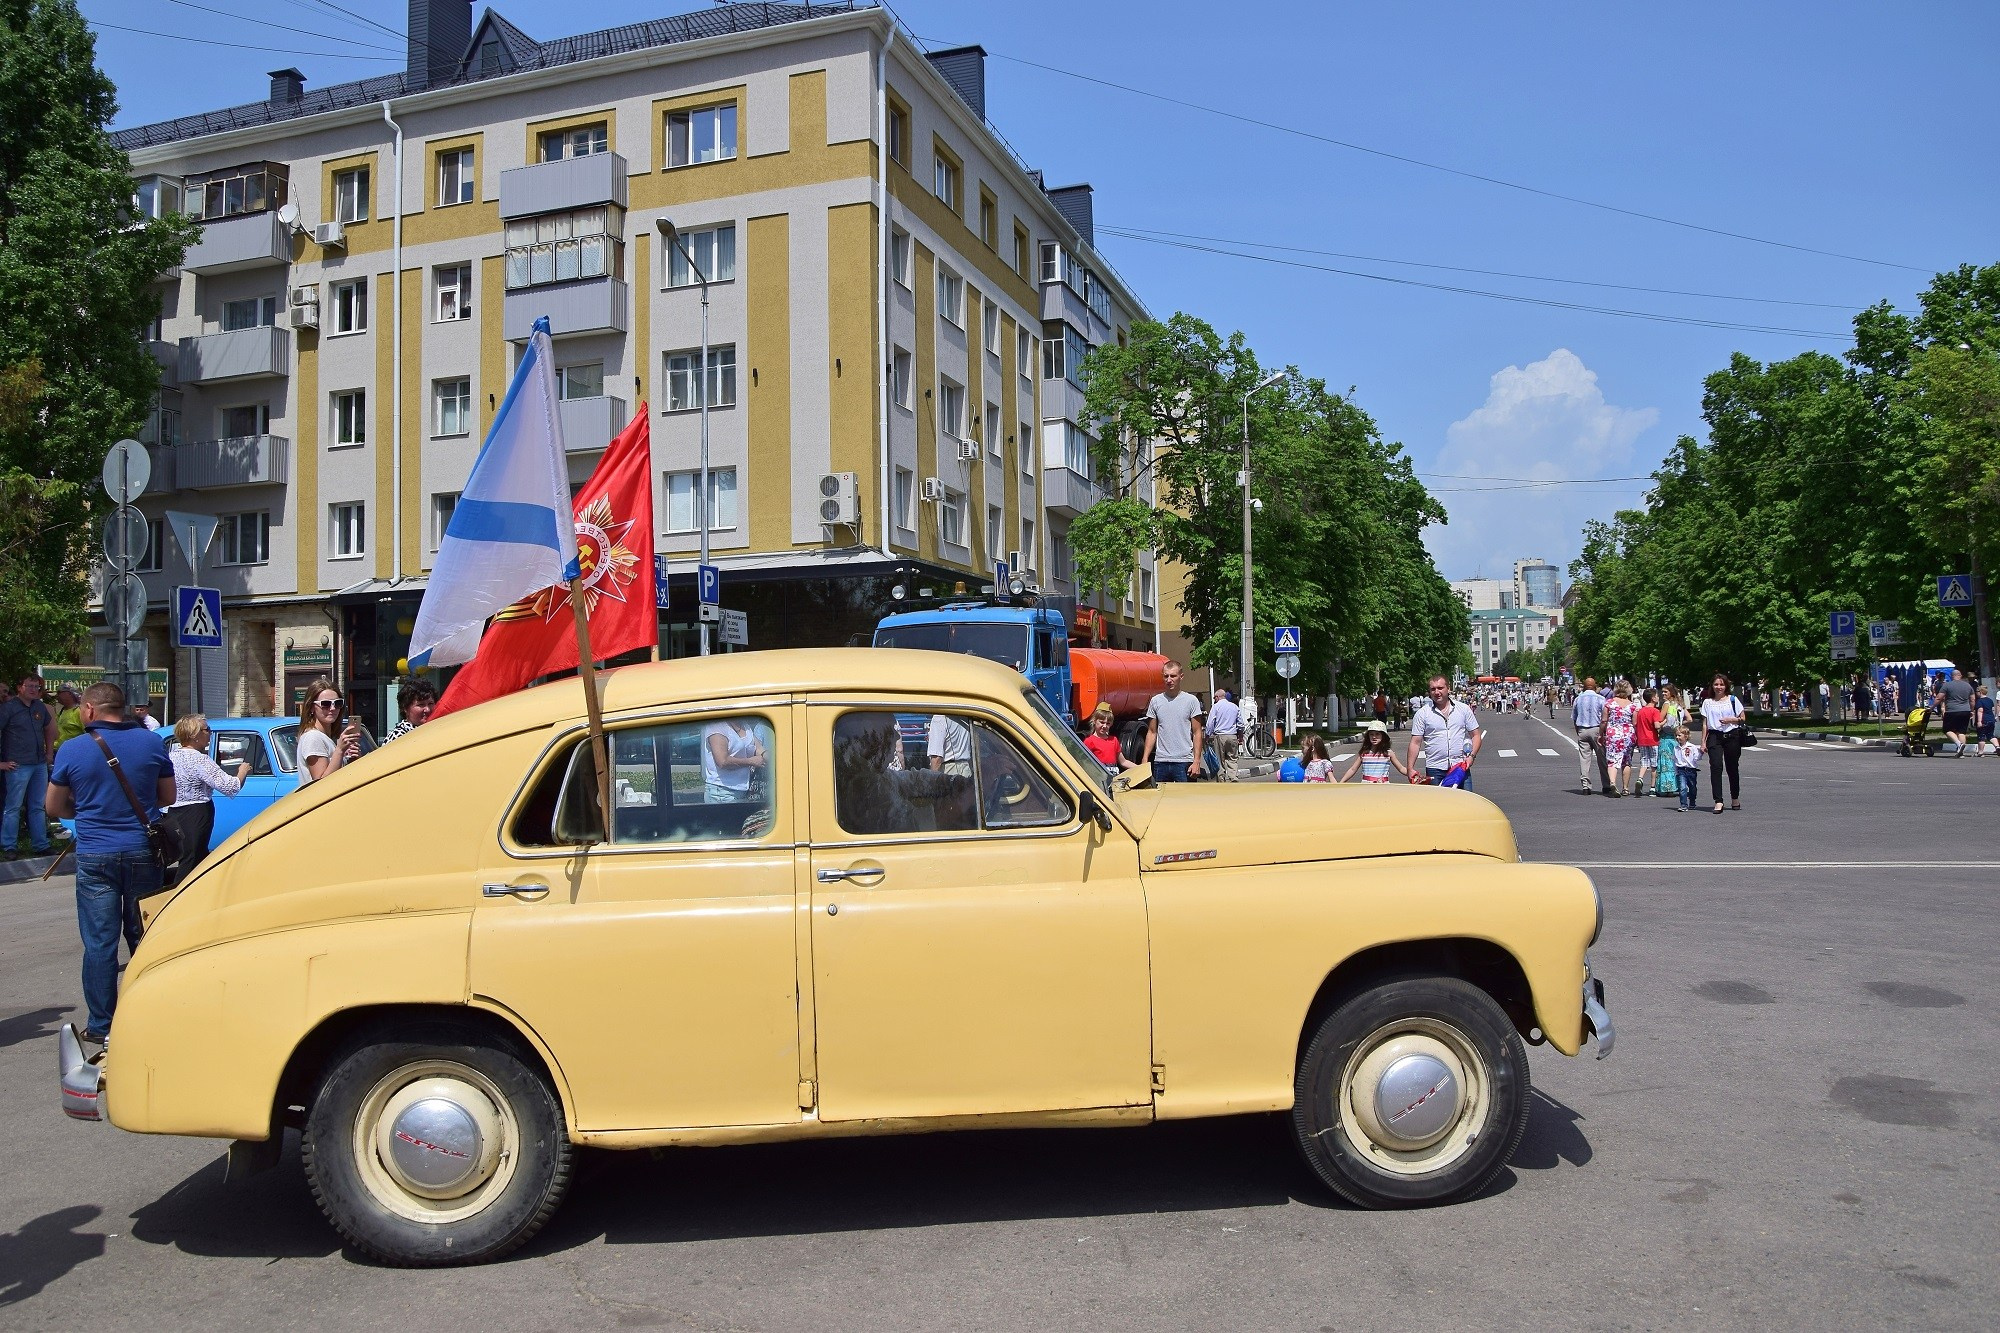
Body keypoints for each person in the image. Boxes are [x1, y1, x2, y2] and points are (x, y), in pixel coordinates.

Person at [45, 682, 174, 1046]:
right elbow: (168, 796)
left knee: (100, 944)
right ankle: (151, 1015)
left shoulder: (73, 749)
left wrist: (84, 812)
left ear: (88, 709)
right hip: (142, 852)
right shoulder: (151, 743)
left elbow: (53, 807)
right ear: (122, 708)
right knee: (144, 938)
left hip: (95, 855)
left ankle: (102, 1025)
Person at [163, 714, 250, 882]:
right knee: (192, 861)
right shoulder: (200, 760)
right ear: (194, 735)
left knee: (189, 857)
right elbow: (230, 786)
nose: (209, 733)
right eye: (206, 730)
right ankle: (178, 898)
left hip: (173, 813)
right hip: (196, 813)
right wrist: (242, 771)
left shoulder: (171, 756)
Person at [1, 673, 58, 858]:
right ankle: (9, 845)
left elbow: (50, 729)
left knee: (37, 806)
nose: (34, 690)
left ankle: (40, 844)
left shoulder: (39, 707)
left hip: (39, 763)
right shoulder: (8, 708)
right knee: (13, 807)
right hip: (17, 764)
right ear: (20, 687)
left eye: (37, 687)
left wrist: (49, 753)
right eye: (30, 686)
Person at [1408, 675, 1481, 787]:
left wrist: (1471, 756)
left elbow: (1476, 735)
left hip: (1460, 767)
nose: (1437, 692)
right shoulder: (1423, 713)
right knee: (1439, 804)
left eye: (1440, 688)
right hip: (1435, 769)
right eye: (1433, 689)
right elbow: (1415, 742)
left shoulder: (1463, 709)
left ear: (1448, 688)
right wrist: (1410, 768)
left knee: (1466, 803)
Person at [1141, 660, 1205, 783]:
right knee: (1162, 801)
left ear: (1181, 677)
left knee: (1185, 801)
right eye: (1166, 676)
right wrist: (1145, 759)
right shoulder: (1156, 701)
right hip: (1161, 762)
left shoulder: (1191, 701)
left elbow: (1197, 732)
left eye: (1173, 676)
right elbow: (1152, 732)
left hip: (1184, 761)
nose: (1169, 680)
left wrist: (1197, 761)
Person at [297, 678, 362, 786]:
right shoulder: (313, 737)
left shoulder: (327, 737)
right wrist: (339, 750)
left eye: (337, 703)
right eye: (325, 704)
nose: (332, 708)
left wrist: (352, 759)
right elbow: (321, 783)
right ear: (312, 708)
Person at [1701, 673, 1747, 813]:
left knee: (1732, 767)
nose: (1719, 687)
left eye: (1721, 684)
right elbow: (1705, 724)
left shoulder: (1732, 700)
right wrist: (1703, 741)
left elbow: (1743, 718)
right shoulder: (1707, 702)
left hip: (1732, 735)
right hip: (1714, 736)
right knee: (1715, 766)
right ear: (1712, 686)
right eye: (1716, 684)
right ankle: (1718, 801)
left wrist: (1730, 720)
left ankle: (1735, 798)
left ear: (1726, 686)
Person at [702, 717, 768, 803]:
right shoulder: (716, 727)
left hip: (742, 791)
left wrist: (777, 760)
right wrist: (751, 761)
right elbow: (722, 761)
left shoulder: (744, 725)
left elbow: (759, 748)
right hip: (721, 792)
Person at [1571, 675, 1609, 794]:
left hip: (1583, 729)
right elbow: (1605, 718)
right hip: (1597, 729)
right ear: (1595, 686)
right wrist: (1604, 733)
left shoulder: (1578, 699)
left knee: (1584, 759)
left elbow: (1574, 717)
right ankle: (1606, 785)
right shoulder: (1601, 699)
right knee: (1602, 758)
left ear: (1584, 686)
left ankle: (1586, 786)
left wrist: (1578, 730)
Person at [1341, 721, 1410, 784]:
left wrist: (1412, 774)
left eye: (1377, 734)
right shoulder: (1364, 753)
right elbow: (1353, 769)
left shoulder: (1388, 753)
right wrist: (1341, 782)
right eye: (1371, 734)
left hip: (1383, 786)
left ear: (1383, 736)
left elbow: (1401, 768)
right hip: (1366, 786)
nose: (1374, 737)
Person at [1600, 683, 1637, 797]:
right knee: (1626, 761)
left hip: (1613, 734)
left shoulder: (1609, 703)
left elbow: (1604, 721)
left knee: (1612, 760)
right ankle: (1625, 788)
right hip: (1628, 734)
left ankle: (1612, 782)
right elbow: (1635, 723)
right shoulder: (1632, 706)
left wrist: (1601, 734)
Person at [1081, 703, 1133, 773]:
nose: (1104, 726)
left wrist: (1141, 768)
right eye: (1102, 722)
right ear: (1094, 721)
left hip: (1113, 777)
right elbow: (1084, 763)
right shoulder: (1089, 741)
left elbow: (1123, 762)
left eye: (1108, 723)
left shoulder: (1114, 740)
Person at [1207, 688, 1242, 781]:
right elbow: (1240, 724)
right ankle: (1233, 778)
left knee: (1219, 760)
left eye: (1214, 697)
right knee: (1233, 758)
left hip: (1220, 736)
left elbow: (1210, 723)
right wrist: (1240, 736)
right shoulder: (1234, 707)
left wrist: (1207, 735)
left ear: (1218, 697)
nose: (1214, 699)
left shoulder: (1215, 707)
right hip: (1232, 736)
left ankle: (1221, 780)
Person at [1938, 667, 1975, 756]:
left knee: (1947, 729)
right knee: (1961, 732)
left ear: (1951, 676)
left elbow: (1939, 697)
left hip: (1952, 711)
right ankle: (1961, 752)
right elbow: (1973, 699)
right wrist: (1972, 710)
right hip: (1965, 711)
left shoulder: (1947, 685)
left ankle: (1959, 744)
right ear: (1960, 676)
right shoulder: (1968, 685)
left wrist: (1932, 708)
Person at [925, 711, 973, 777]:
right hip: (966, 769)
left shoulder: (939, 718)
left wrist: (931, 783)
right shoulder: (964, 716)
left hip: (948, 772)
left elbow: (937, 759)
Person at [1669, 723, 1701, 811]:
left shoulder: (1692, 747)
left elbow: (1696, 758)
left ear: (1686, 736)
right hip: (1681, 770)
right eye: (1676, 735)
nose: (1677, 737)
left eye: (1679, 735)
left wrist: (1701, 753)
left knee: (1692, 787)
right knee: (1682, 787)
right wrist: (1676, 771)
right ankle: (1683, 805)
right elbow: (1675, 760)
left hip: (1691, 770)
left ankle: (1692, 802)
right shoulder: (1676, 748)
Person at [1973, 683, 1995, 758]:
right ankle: (1997, 747)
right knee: (1991, 735)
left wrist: (1979, 721)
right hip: (1991, 720)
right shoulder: (1990, 700)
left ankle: (1980, 752)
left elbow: (1980, 711)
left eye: (1977, 691)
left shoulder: (1979, 701)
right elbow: (1993, 709)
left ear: (1980, 692)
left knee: (1981, 736)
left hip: (1983, 720)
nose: (1976, 693)